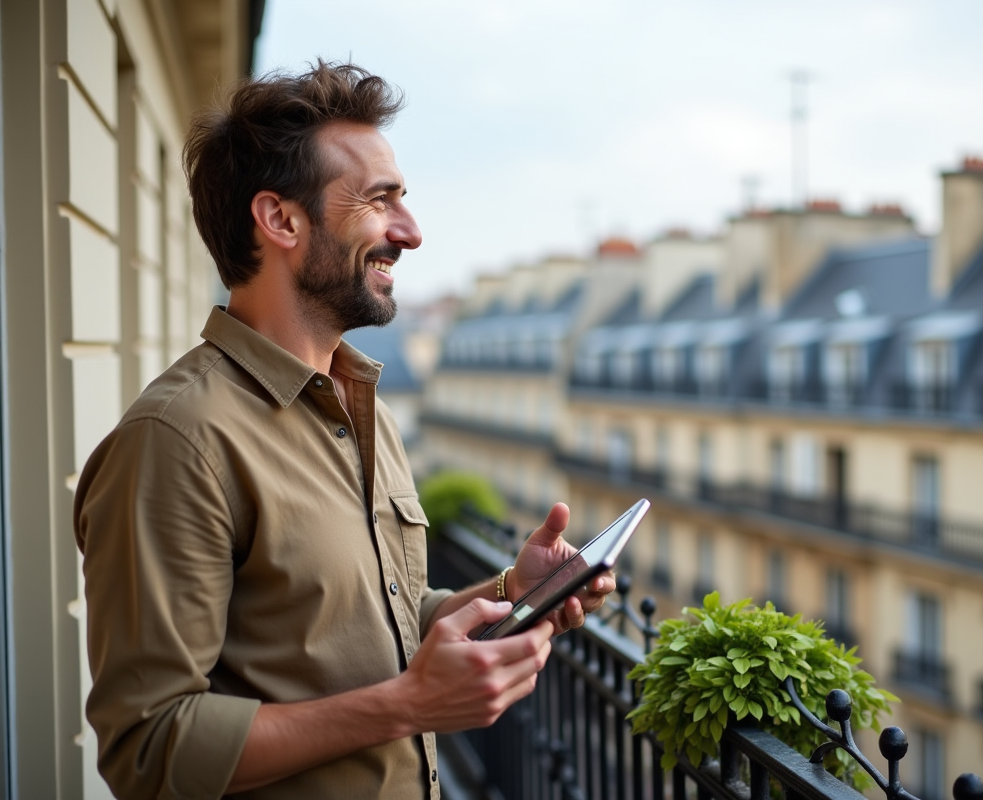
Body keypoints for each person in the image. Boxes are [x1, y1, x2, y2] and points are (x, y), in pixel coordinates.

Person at [73, 61, 612, 800]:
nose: (411, 232)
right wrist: (408, 706)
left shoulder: (364, 409)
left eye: (405, 201)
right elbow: (150, 748)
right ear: (281, 220)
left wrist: (511, 591)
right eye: (379, 201)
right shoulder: (177, 441)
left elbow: (375, 624)